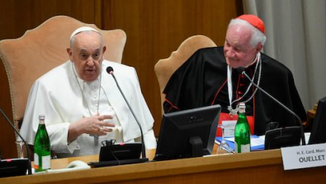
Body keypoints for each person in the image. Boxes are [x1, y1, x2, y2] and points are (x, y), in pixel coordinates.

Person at [19, 27, 156, 157]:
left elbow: (145, 130)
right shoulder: (46, 85)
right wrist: (77, 128)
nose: (91, 63)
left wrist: (151, 163)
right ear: (71, 54)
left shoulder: (125, 76)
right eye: (84, 56)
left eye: (96, 55)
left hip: (125, 162)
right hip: (74, 166)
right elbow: (36, 140)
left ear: (103, 52)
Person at [163, 14, 307, 136]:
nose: (229, 53)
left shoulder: (277, 74)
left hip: (257, 153)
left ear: (257, 48)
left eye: (238, 49)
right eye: (227, 43)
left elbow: (292, 126)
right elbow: (174, 110)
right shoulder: (203, 61)